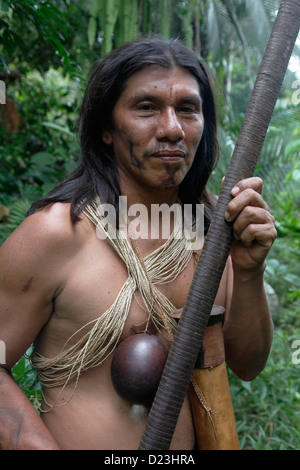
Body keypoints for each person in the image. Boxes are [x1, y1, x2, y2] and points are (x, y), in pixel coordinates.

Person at [0, 37, 276, 450]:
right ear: (107, 129)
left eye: (188, 109)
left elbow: (248, 364)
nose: (171, 129)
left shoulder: (217, 231)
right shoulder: (57, 234)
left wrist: (250, 271)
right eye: (146, 107)